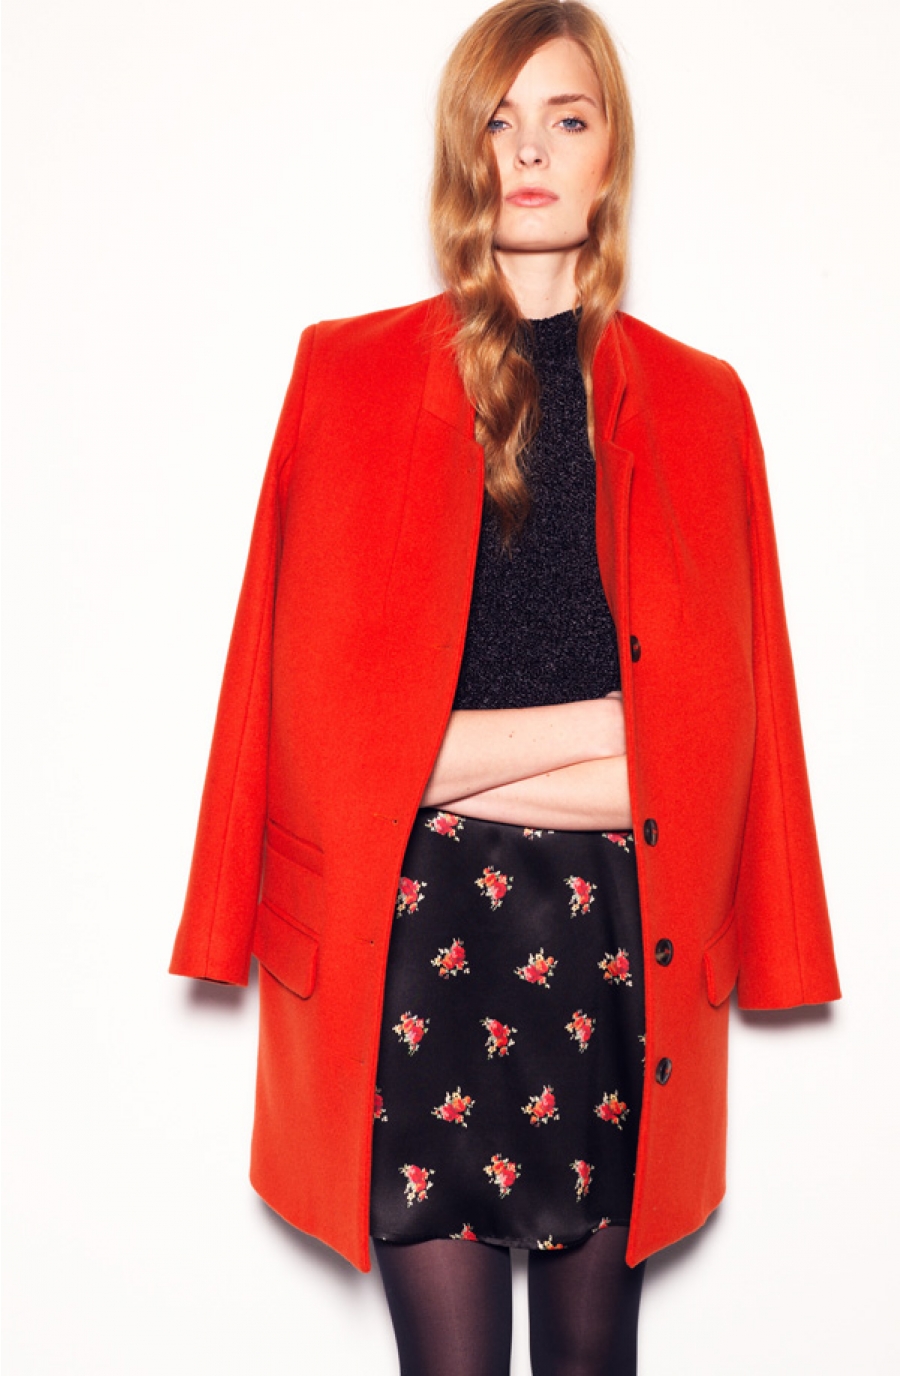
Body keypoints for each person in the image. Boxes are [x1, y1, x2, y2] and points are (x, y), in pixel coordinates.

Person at [169, 2, 841, 1372]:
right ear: (463, 153)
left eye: (567, 118)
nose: (530, 151)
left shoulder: (705, 406)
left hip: (619, 947)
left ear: (610, 155)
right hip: (412, 940)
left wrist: (438, 761)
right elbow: (320, 753)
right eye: (500, 119)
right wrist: (596, 733)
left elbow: (710, 767)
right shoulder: (344, 376)